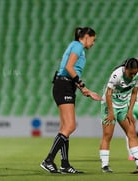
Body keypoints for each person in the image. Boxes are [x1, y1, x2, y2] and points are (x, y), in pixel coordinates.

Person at [40, 27, 101, 174]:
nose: (93, 43)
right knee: (70, 126)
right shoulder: (78, 46)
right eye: (93, 39)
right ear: (86, 36)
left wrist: (83, 90)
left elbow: (70, 70)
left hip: (64, 85)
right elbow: (69, 67)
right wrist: (83, 86)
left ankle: (65, 165)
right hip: (64, 85)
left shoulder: (76, 47)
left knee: (65, 127)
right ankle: (48, 160)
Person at [99, 58, 138, 173]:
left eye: (135, 73)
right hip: (109, 105)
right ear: (125, 69)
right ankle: (105, 165)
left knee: (131, 133)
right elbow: (108, 93)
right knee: (108, 135)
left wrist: (130, 111)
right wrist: (111, 112)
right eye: (130, 73)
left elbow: (134, 93)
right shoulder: (117, 74)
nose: (133, 75)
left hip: (123, 106)